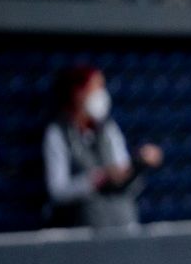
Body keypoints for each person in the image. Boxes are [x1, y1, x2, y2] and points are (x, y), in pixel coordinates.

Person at [43, 64, 162, 228]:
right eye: (96, 87)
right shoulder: (57, 133)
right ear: (77, 92)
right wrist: (95, 179)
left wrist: (138, 164)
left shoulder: (108, 128)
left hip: (122, 221)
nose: (101, 94)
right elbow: (58, 191)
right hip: (84, 228)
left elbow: (123, 172)